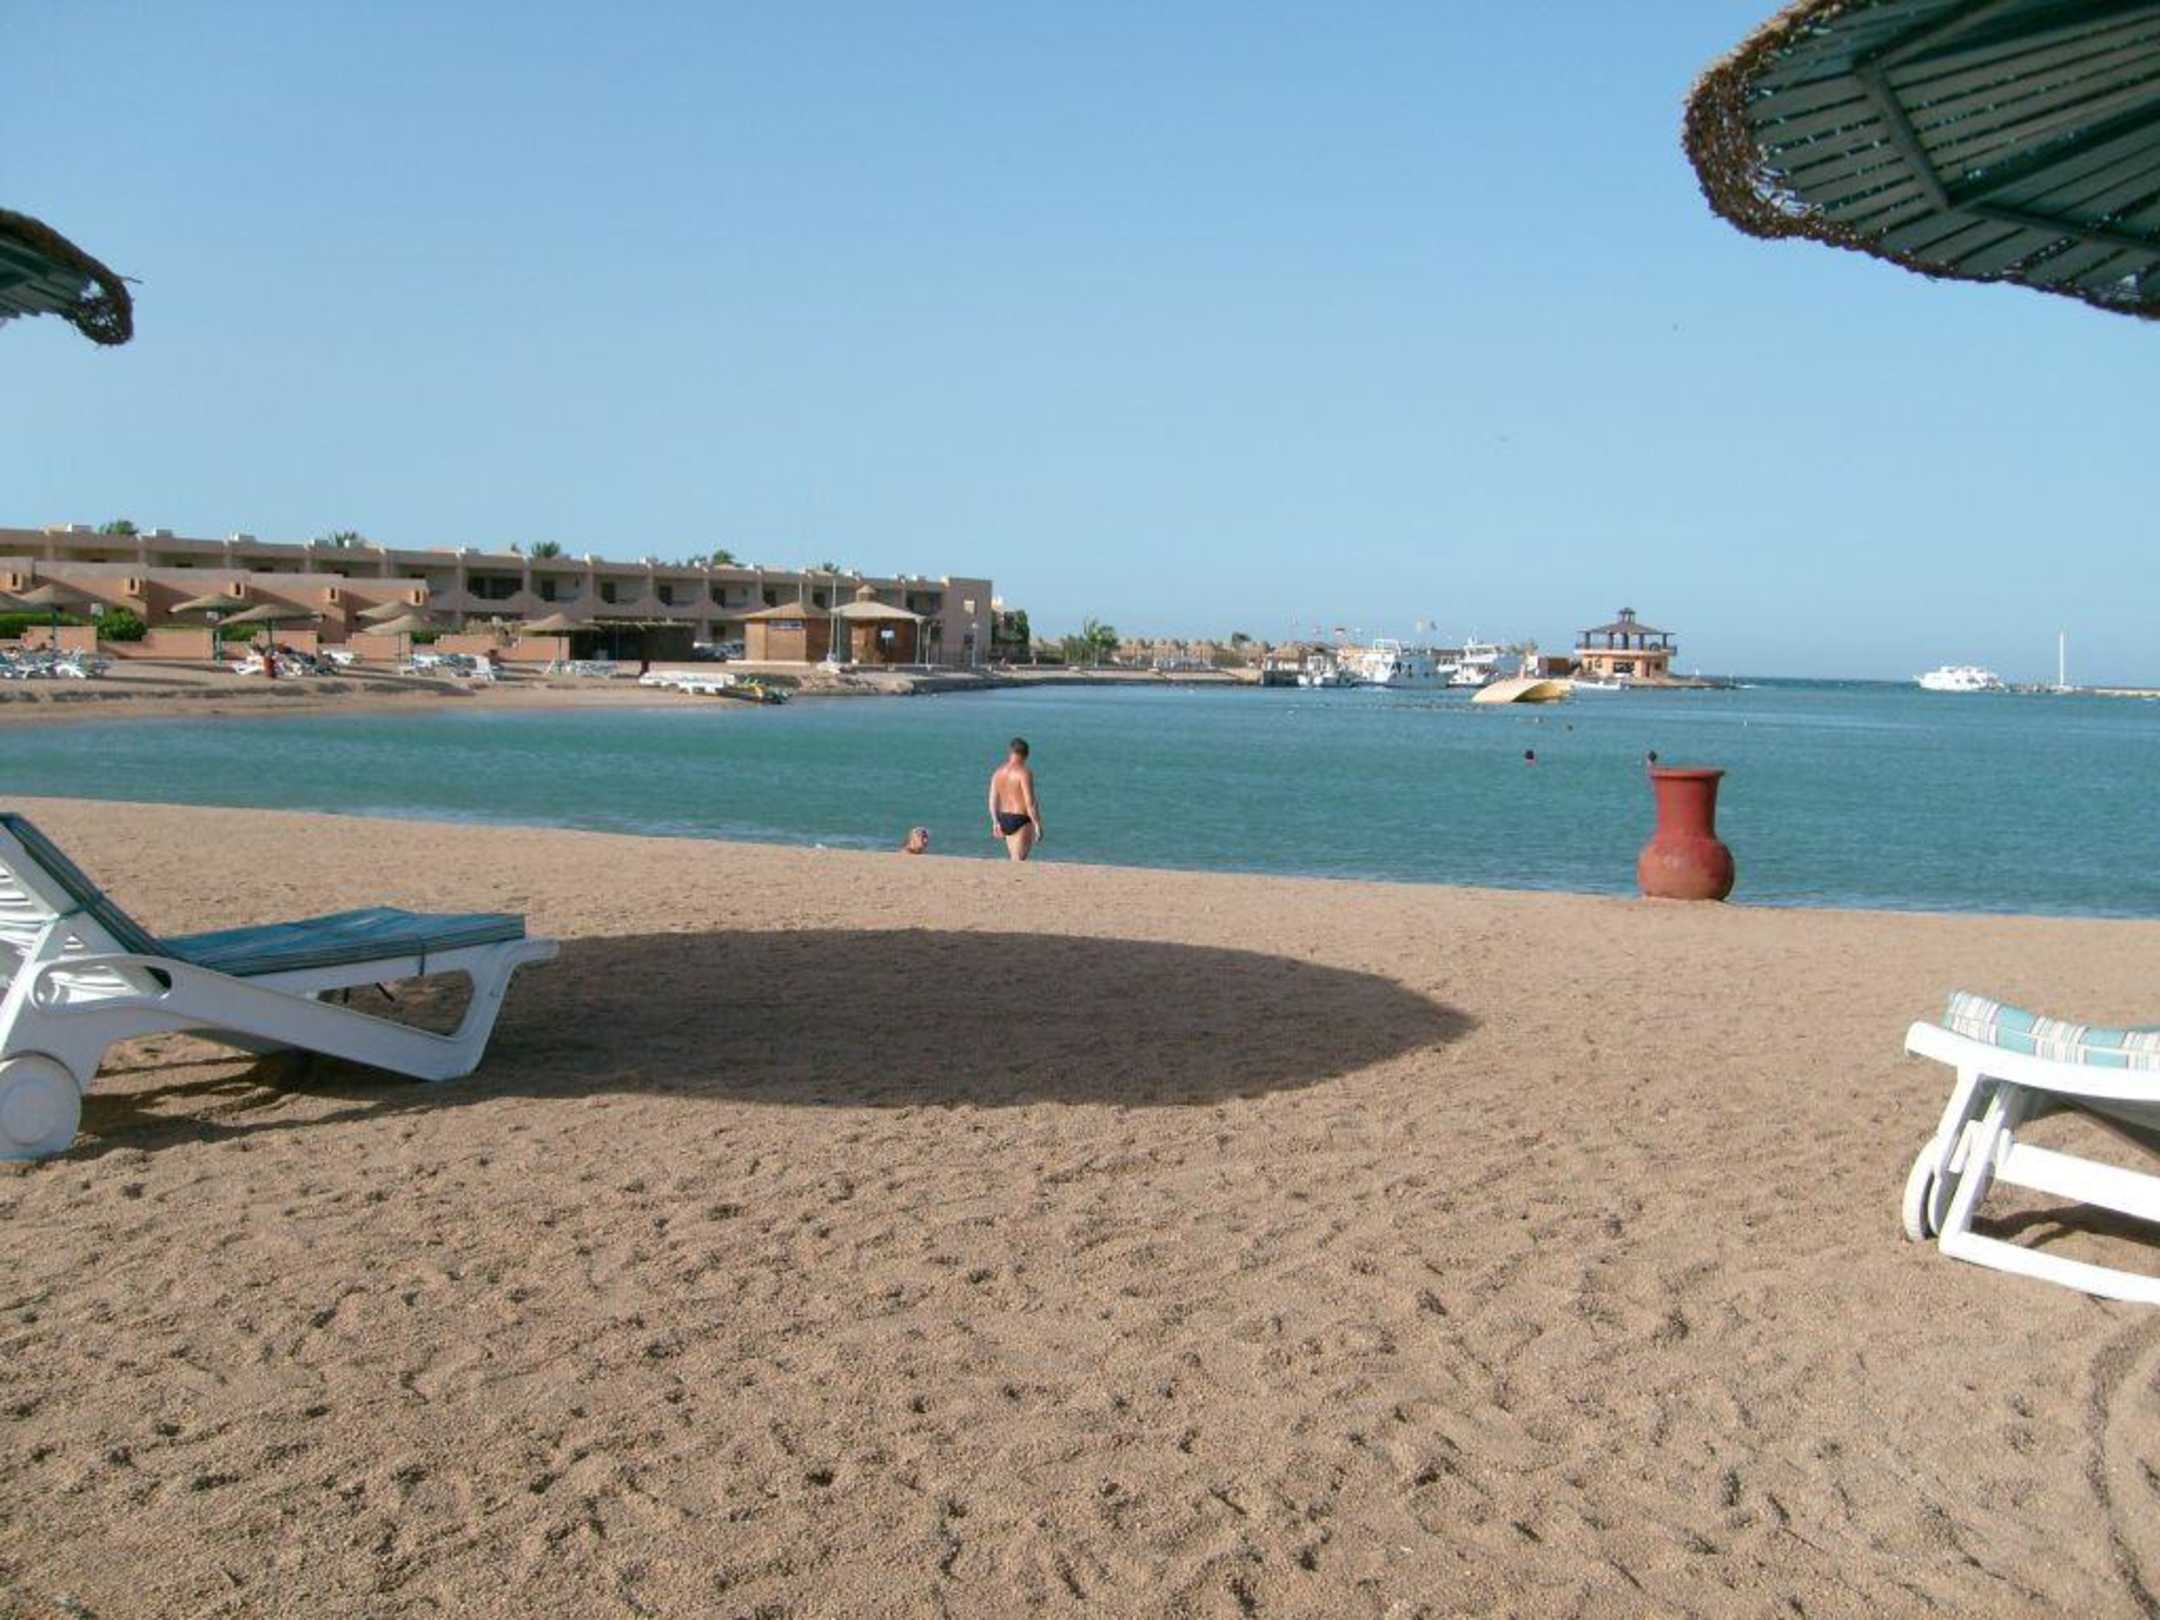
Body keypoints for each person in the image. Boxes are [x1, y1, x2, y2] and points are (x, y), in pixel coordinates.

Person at [988, 737, 1043, 861]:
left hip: (1004, 818)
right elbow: (1030, 802)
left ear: (1010, 752)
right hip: (1021, 819)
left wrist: (995, 822)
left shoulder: (998, 772)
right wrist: (1037, 825)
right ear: (1026, 755)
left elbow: (992, 801)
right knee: (1019, 860)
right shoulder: (1024, 773)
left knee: (1014, 859)